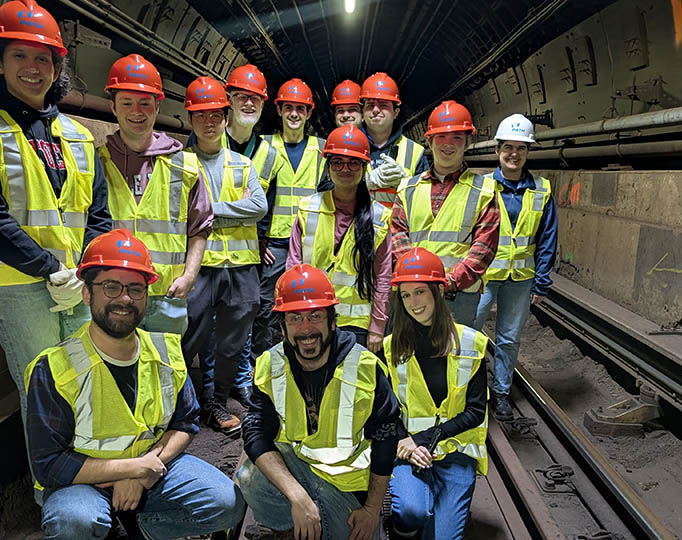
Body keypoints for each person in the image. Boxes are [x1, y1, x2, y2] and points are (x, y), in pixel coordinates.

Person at [0, 0, 111, 456]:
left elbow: (97, 214)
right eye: (20, 55)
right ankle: (54, 493)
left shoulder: (77, 135)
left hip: (76, 282)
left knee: (83, 376)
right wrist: (48, 269)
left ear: (57, 66)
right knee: (42, 388)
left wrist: (87, 270)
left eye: (44, 58)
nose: (33, 68)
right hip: (17, 287)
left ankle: (91, 475)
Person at [24, 229, 245, 539]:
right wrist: (132, 469)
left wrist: (143, 471)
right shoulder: (54, 368)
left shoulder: (166, 352)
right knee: (75, 523)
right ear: (87, 294)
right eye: (111, 287)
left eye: (135, 289)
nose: (124, 298)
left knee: (227, 503)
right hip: (83, 484)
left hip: (151, 469)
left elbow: (185, 423)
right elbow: (49, 464)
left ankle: (139, 529)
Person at [236, 265, 400, 540]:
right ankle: (291, 527)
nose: (305, 329)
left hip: (348, 486)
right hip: (299, 467)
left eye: (315, 316)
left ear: (332, 321)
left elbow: (386, 440)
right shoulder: (270, 365)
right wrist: (298, 497)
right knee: (251, 479)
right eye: (295, 319)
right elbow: (255, 433)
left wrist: (372, 510)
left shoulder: (365, 367)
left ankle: (316, 523)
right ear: (282, 327)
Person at [193, 63, 286, 413]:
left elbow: (264, 205)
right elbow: (186, 207)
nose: (248, 104)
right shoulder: (196, 145)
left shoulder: (264, 154)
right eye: (241, 97)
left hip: (248, 253)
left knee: (241, 328)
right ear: (227, 101)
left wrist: (212, 211)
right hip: (203, 259)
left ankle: (237, 384)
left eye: (255, 99)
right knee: (203, 333)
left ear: (263, 105)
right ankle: (206, 397)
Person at [99, 54, 211, 335]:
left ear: (157, 106)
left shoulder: (184, 165)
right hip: (112, 295)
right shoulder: (96, 162)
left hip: (166, 297)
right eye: (127, 102)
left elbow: (200, 228)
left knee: (165, 373)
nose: (137, 111)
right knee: (115, 374)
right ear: (113, 107)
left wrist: (189, 276)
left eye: (145, 103)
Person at [182, 76, 267, 435]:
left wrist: (209, 208)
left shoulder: (242, 164)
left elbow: (259, 207)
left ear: (226, 117)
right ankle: (186, 405)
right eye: (201, 115)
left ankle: (215, 402)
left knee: (233, 342)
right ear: (190, 118)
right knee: (189, 340)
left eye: (216, 114)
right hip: (199, 268)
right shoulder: (180, 163)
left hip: (241, 268)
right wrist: (233, 209)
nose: (209, 122)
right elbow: (180, 212)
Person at [384, 247, 488, 540]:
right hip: (408, 452)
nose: (413, 303)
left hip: (455, 452)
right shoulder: (391, 347)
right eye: (405, 295)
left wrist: (427, 438)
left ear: (439, 291)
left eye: (420, 292)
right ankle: (403, 527)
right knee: (412, 512)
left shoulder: (472, 343)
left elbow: (475, 411)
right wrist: (408, 441)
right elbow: (385, 408)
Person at [473, 114, 557, 419]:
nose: (514, 154)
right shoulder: (481, 187)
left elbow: (547, 239)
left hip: (521, 277)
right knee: (469, 332)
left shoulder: (542, 190)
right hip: (482, 277)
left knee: (509, 338)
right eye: (508, 147)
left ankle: (501, 392)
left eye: (521, 148)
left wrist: (542, 282)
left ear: (528, 151)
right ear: (497, 150)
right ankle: (470, 390)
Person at [388, 100, 500, 326]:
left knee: (454, 357)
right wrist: (417, 279)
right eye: (441, 137)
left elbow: (484, 247)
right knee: (410, 356)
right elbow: (397, 235)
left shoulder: (484, 191)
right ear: (429, 141)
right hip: (413, 292)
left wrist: (449, 281)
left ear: (467, 143)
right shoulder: (408, 188)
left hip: (458, 295)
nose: (448, 144)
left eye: (457, 138)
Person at [286, 125, 392, 353]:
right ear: (328, 169)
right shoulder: (308, 209)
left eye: (354, 163)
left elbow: (383, 277)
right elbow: (293, 268)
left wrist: (377, 327)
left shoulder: (380, 217)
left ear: (364, 169)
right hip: (310, 317)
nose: (345, 169)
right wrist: (291, 316)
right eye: (337, 162)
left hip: (357, 326)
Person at [253, 78, 327, 357]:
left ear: (309, 113)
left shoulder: (321, 149)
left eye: (300, 108)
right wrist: (259, 239)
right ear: (280, 110)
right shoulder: (266, 146)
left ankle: (299, 357)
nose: (294, 114)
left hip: (309, 242)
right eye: (289, 108)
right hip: (274, 244)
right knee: (264, 305)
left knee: (305, 304)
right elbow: (255, 195)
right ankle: (263, 359)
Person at [359, 72, 429, 209]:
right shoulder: (348, 146)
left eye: (383, 105)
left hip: (399, 228)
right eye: (370, 105)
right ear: (363, 112)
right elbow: (327, 191)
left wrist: (406, 184)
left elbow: (426, 199)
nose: (375, 110)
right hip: (356, 228)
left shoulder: (415, 152)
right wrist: (364, 183)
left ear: (396, 112)